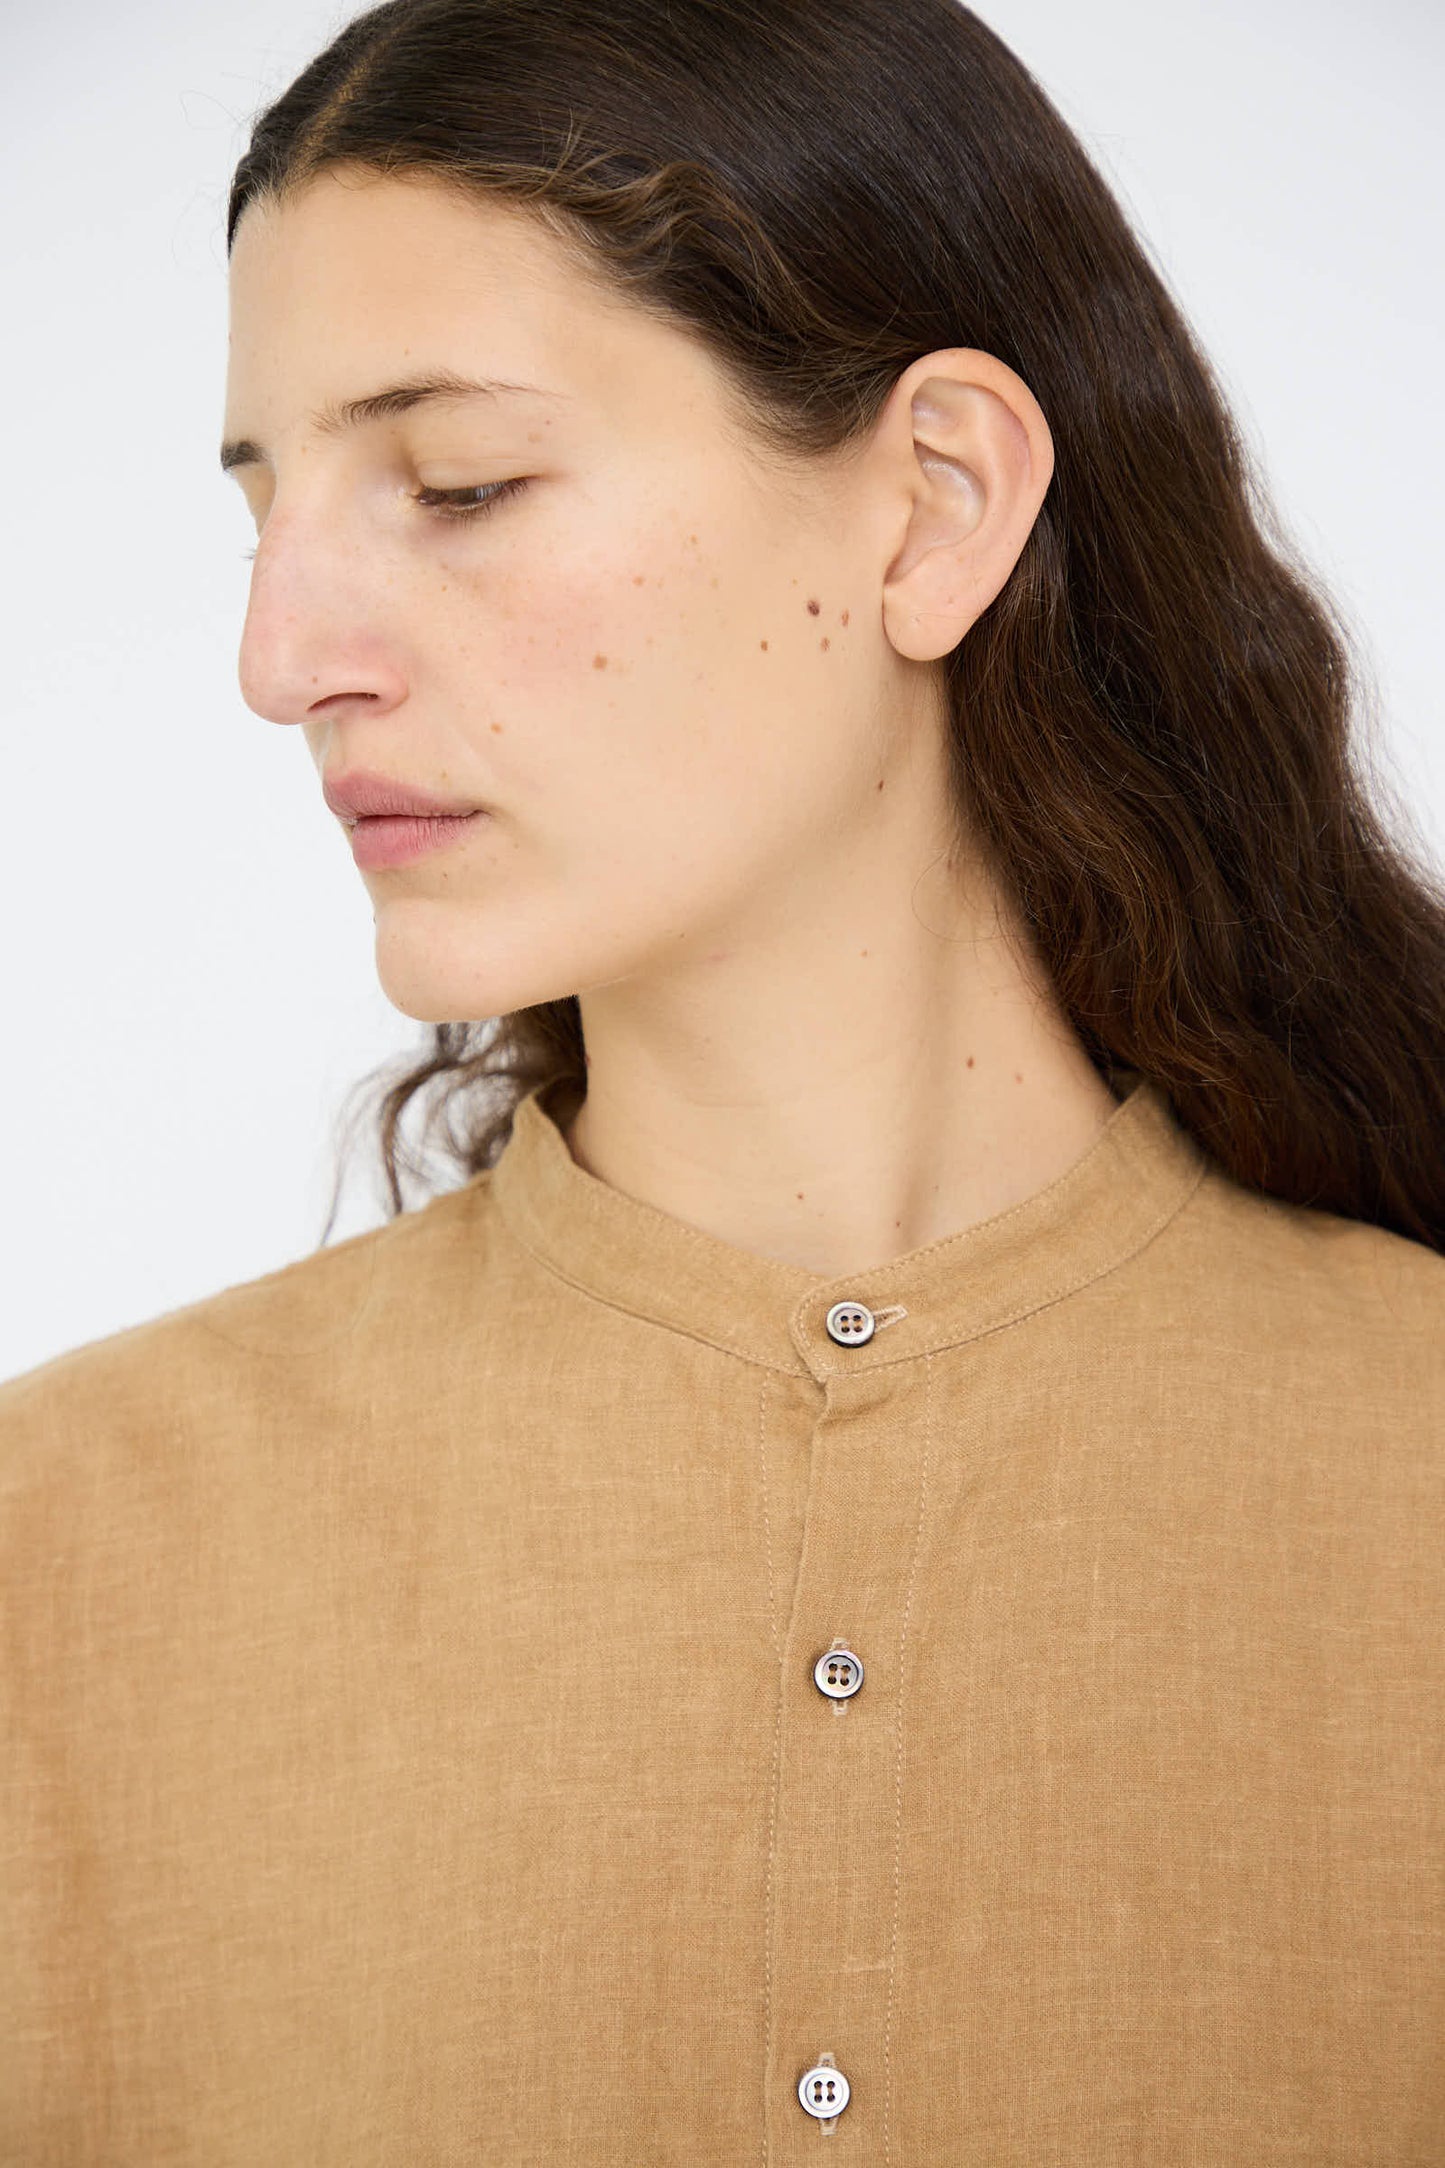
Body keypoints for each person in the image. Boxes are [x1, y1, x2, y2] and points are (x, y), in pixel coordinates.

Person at [3, 0, 1442, 2160]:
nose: (281, 654)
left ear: (932, 505)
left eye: (458, 484)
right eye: (266, 507)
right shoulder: (64, 1558)